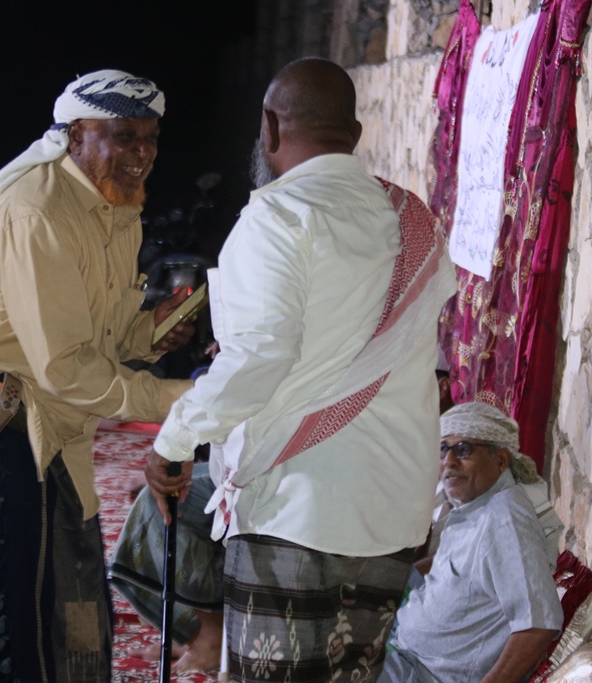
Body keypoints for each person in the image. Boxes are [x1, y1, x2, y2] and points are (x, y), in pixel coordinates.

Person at [144, 57, 457, 682]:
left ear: (268, 126)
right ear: (355, 134)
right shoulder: (411, 218)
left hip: (298, 507)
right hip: (394, 505)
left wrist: (173, 441)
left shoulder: (277, 217)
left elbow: (259, 357)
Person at [0, 69, 198, 683]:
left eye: (151, 138)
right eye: (124, 136)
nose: (141, 153)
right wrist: (185, 401)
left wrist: (150, 330)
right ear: (76, 136)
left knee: (56, 600)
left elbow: (97, 332)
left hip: (50, 419)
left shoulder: (117, 206)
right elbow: (64, 367)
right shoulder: (38, 211)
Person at [108, 360, 456, 674]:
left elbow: (260, 351)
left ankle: (214, 635)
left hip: (316, 473)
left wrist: (176, 440)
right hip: (279, 450)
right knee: (163, 501)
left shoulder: (427, 419)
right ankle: (204, 631)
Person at [379, 402, 563, 683]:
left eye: (464, 449)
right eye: (443, 449)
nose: (449, 462)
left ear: (501, 460)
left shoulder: (505, 518)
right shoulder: (477, 506)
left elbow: (538, 624)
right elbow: (467, 565)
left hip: (422, 673)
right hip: (401, 650)